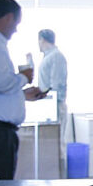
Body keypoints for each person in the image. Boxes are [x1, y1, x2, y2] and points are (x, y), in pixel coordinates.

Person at [0, 0, 43, 179]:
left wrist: (21, 94)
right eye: (16, 23)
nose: (15, 29)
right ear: (9, 17)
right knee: (0, 185)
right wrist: (23, 78)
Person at [34, 28, 70, 172]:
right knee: (50, 145)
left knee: (58, 144)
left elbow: (56, 84)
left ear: (42, 39)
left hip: (56, 106)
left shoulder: (56, 57)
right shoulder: (48, 57)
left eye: (38, 40)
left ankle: (61, 178)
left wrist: (50, 104)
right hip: (48, 107)